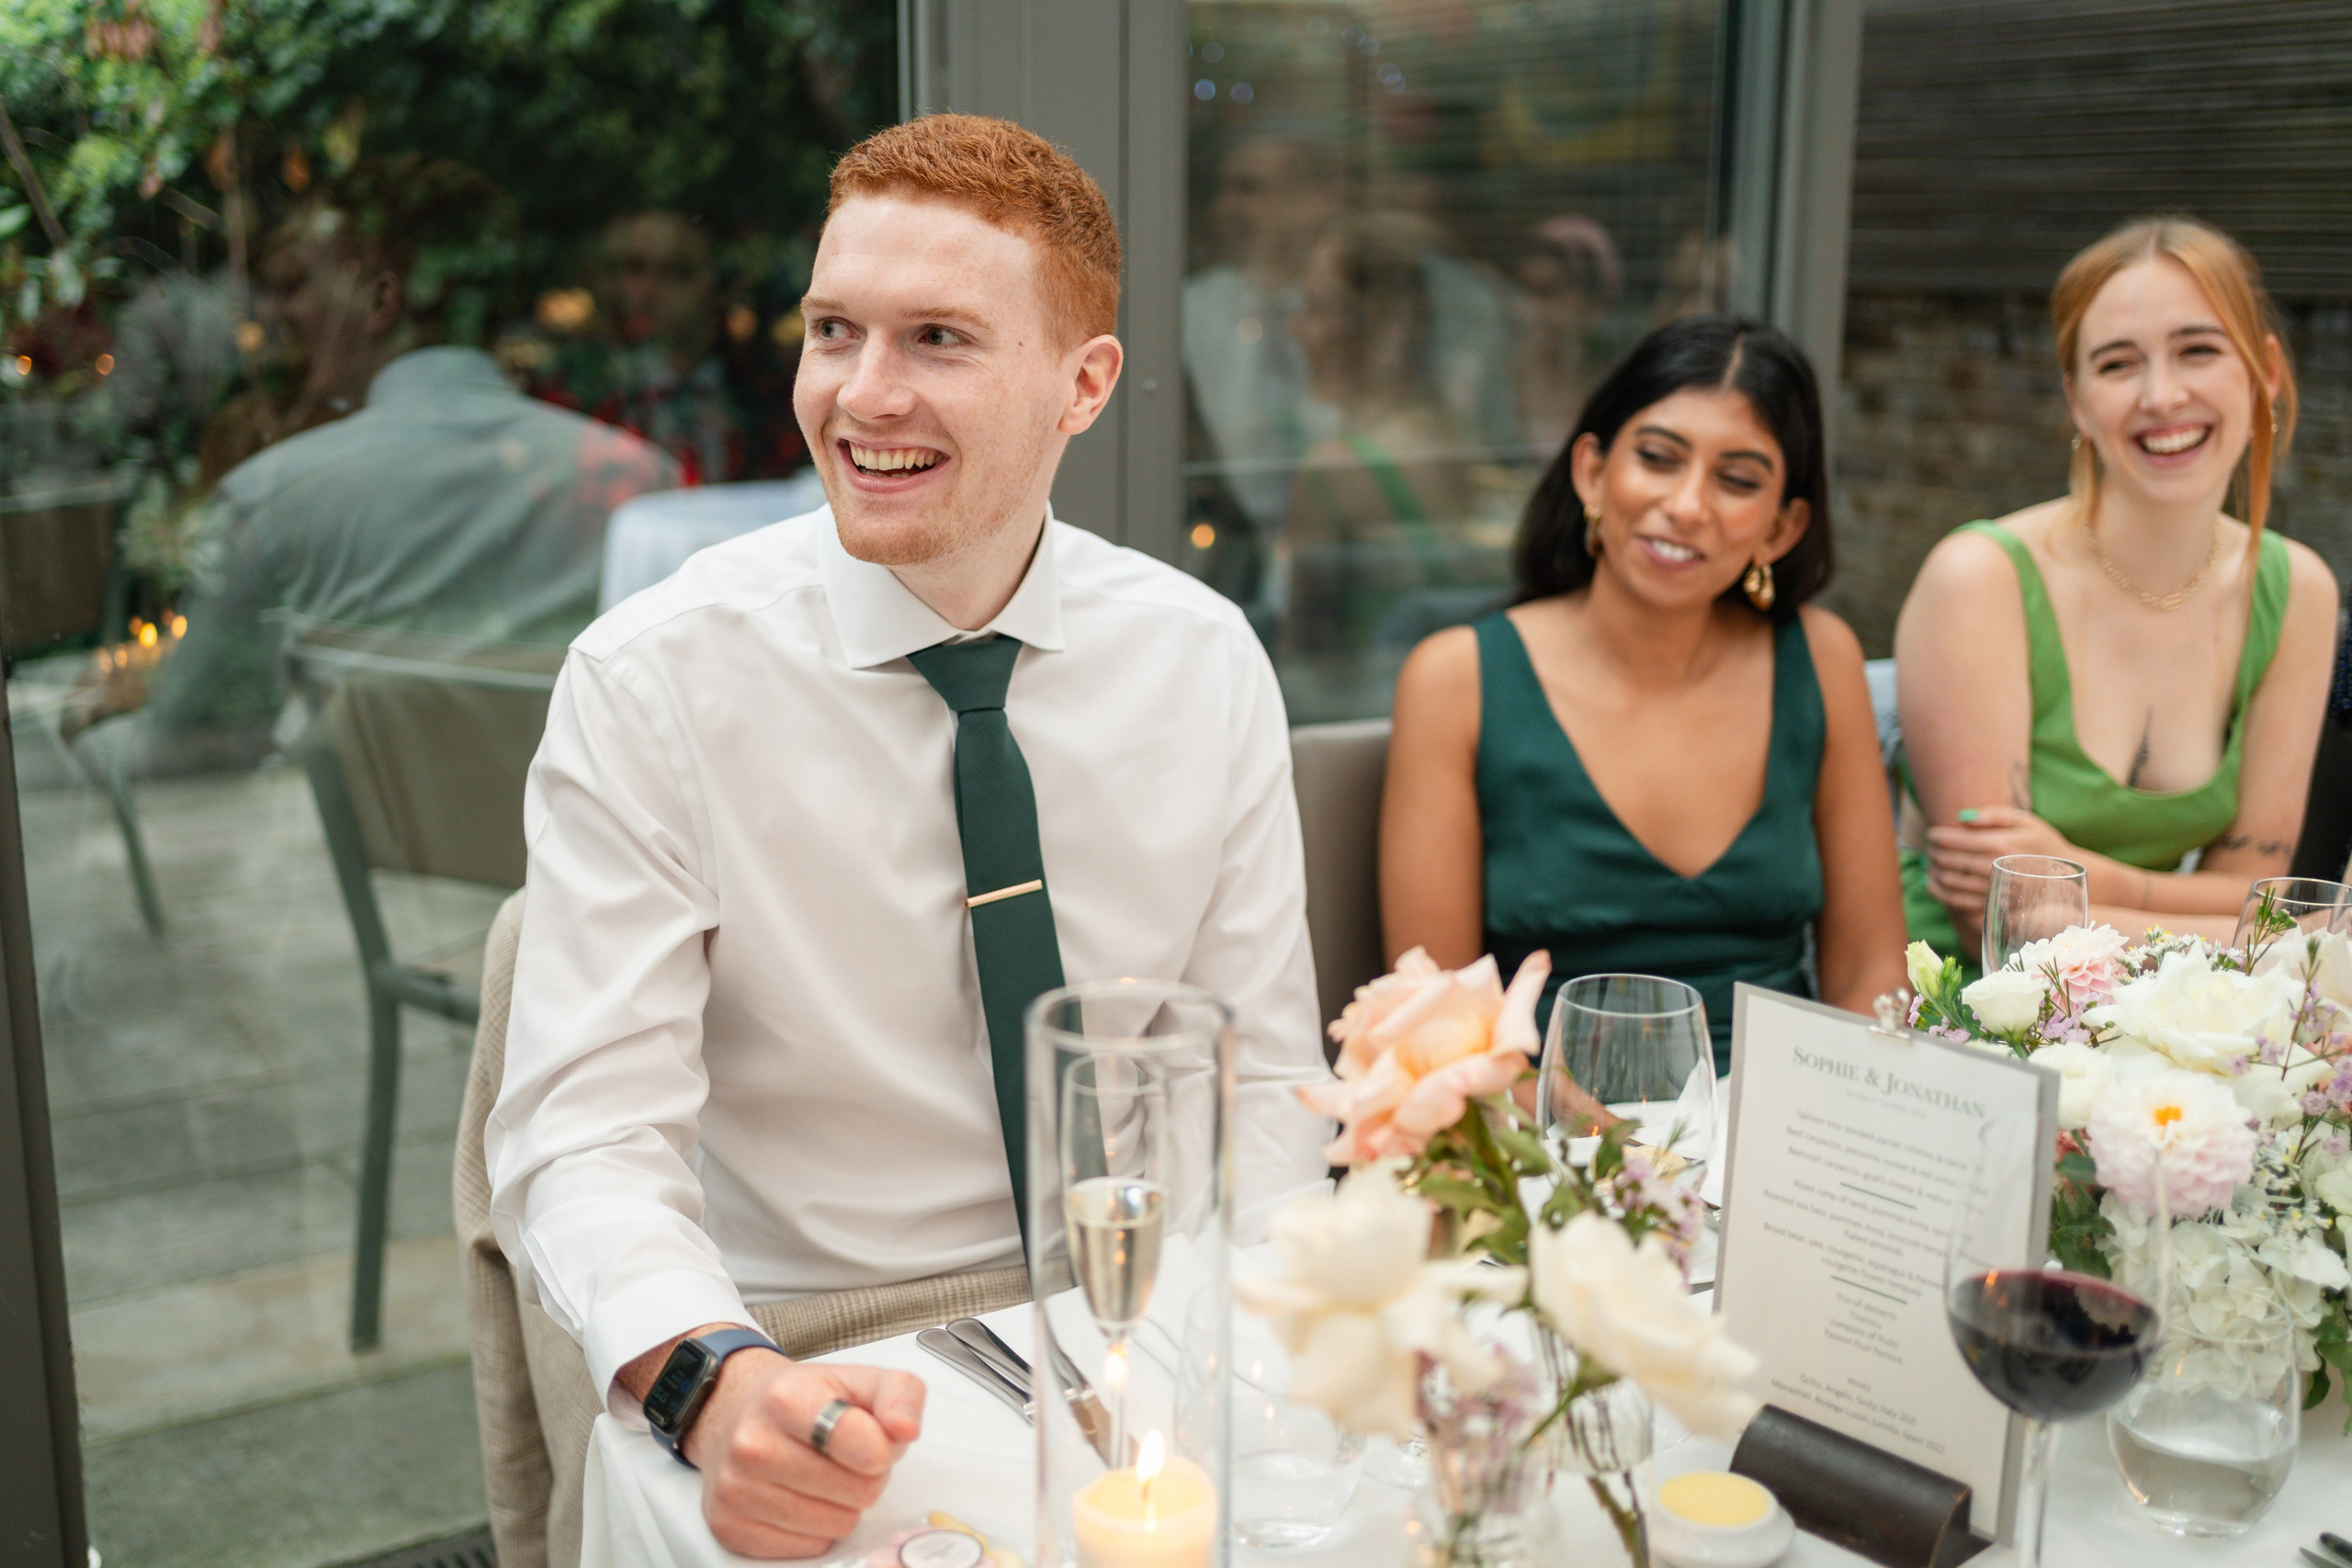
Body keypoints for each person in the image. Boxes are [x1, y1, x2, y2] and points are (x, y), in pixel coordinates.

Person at [486, 115, 1332, 1556]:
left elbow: (1264, 1092)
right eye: (833, 331)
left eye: (938, 337)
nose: (861, 395)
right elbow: (585, 1137)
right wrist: (712, 1378)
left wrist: (1277, 1370)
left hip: (1136, 1310)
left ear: (1085, 384)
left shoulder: (1203, 661)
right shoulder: (654, 681)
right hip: (800, 1335)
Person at [1380, 315, 1906, 1071]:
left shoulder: (1822, 658)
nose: (1688, 504)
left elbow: (1869, 978)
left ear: (1782, 528)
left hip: (1777, 1135)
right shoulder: (1455, 679)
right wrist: (1610, 1168)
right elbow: (1436, 1023)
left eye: (1737, 479)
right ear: (1592, 470)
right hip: (1543, 1140)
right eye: (1659, 459)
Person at [79, 155, 677, 773]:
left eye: (294, 284)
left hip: (365, 861)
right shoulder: (637, 480)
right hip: (585, 852)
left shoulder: (273, 496)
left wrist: (82, 741)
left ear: (381, 298)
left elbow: (185, 744)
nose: (275, 315)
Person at [1895, 217, 2338, 959]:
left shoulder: (2297, 591)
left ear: (2264, 372)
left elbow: (2257, 899)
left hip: (2164, 1022)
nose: (2162, 396)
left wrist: (2088, 882)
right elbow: (2005, 923)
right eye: (2117, 364)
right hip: (1964, 1021)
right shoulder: (1980, 579)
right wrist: (2299, 937)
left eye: (2198, 350)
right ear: (2077, 400)